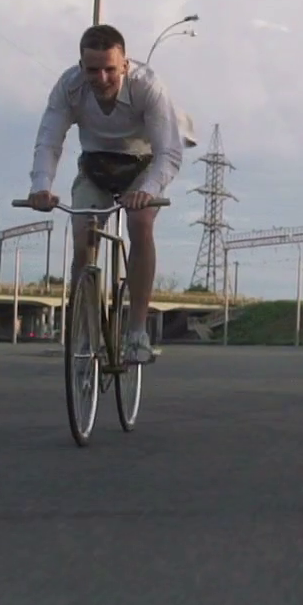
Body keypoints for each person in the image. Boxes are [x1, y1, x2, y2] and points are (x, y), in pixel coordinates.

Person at [27, 23, 185, 365]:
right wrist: (41, 187)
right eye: (92, 70)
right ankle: (85, 331)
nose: (101, 78)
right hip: (96, 167)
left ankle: (137, 333)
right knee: (83, 237)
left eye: (109, 69)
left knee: (140, 223)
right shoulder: (69, 88)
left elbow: (169, 153)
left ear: (125, 65)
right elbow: (49, 140)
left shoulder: (149, 86)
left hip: (142, 165)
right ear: (81, 66)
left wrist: (145, 192)